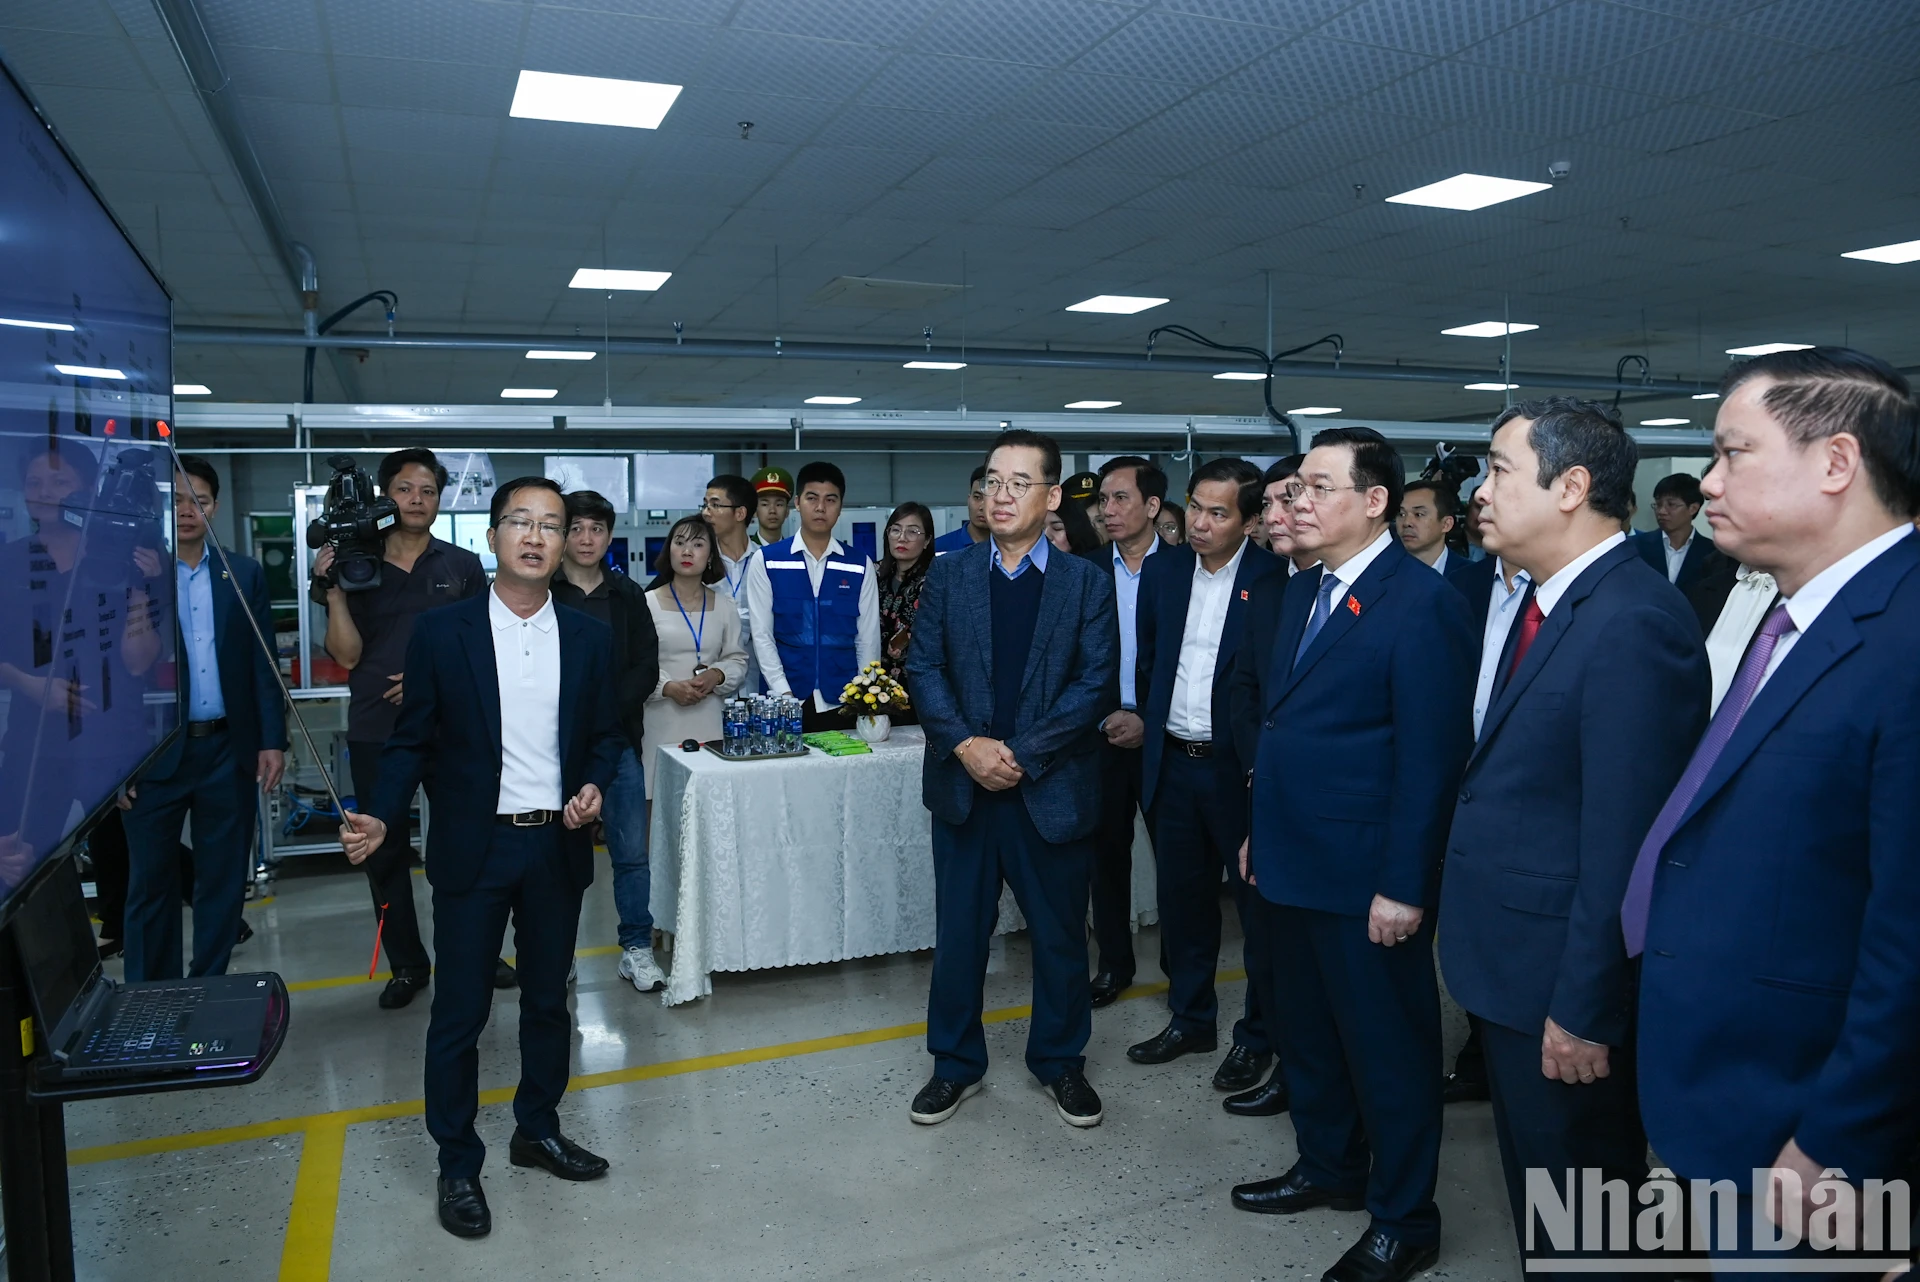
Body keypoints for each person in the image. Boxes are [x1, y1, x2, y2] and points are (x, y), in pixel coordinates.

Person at [1628, 348, 1920, 1263]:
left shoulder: (1904, 639)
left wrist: (1842, 1137)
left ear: (1836, 463)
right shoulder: (1797, 608)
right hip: (1735, 1084)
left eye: (1732, 454)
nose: (1706, 483)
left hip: (1812, 1121)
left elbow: (1909, 938)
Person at [1439, 399, 1709, 1266]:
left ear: (1573, 486)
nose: (1480, 492)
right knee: (1543, 1206)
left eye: (1500, 470)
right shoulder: (1556, 605)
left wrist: (1587, 1010)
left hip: (1563, 987)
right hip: (1516, 969)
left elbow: (1627, 842)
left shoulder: (1631, 621)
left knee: (1585, 1224)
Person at [339, 476, 625, 1241]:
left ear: (567, 543)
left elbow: (605, 734)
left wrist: (594, 785)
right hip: (474, 845)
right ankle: (457, 1161)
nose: (536, 537)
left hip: (555, 845)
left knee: (544, 1003)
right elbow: (412, 743)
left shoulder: (589, 637)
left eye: (552, 525)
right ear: (494, 536)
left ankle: (536, 1129)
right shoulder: (445, 631)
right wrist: (380, 817)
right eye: (521, 523)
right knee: (459, 1014)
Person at [1226, 426, 1476, 1282]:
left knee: (1390, 1052)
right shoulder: (1302, 590)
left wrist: (1406, 885)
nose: (1296, 502)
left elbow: (1431, 757)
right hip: (1290, 859)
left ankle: (1405, 1218)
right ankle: (1328, 1165)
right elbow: (1284, 724)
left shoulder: (1423, 602)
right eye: (1295, 488)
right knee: (1307, 1034)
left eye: (1317, 487)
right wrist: (1261, 830)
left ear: (1374, 501)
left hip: (1370, 877)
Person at [905, 428, 1118, 1129]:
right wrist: (967, 745)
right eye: (993, 481)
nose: (1000, 495)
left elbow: (1093, 686)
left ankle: (1059, 1063)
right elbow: (923, 667)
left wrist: (1019, 754)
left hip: (1048, 787)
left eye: (1018, 482)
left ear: (1052, 495)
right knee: (960, 935)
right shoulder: (950, 572)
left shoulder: (1087, 582)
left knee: (1059, 935)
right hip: (966, 788)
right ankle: (955, 1066)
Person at [311, 446, 496, 1009]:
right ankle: (408, 965)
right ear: (383, 497)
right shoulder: (352, 562)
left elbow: (484, 648)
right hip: (376, 728)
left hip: (453, 728)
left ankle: (478, 953)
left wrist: (425, 681)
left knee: (465, 846)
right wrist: (334, 590)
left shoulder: (460, 566)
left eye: (428, 491)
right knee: (383, 851)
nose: (417, 500)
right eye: (405, 490)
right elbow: (345, 656)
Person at [1130, 457, 1285, 1097]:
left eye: (1218, 513)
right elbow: (1148, 664)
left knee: (1259, 915)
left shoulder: (1275, 581)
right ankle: (1190, 1019)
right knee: (1183, 907)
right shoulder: (1163, 571)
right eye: (1195, 506)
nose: (1198, 522)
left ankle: (1257, 1037)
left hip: (1238, 773)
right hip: (1172, 764)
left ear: (1250, 522)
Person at [121, 457, 287, 982]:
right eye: (174, 499)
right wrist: (113, 766)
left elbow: (263, 663)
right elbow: (118, 675)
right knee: (151, 882)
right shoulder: (129, 572)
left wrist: (272, 740)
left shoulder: (241, 573)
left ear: (216, 507)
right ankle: (150, 996)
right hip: (152, 753)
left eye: (200, 500)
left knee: (222, 876)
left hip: (227, 749)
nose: (187, 510)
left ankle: (208, 985)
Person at [550, 489, 665, 994]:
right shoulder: (545, 592)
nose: (586, 538)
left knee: (630, 853)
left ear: (609, 536)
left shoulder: (627, 595)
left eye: (596, 529)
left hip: (617, 740)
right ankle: (559, 952)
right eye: (575, 527)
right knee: (557, 854)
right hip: (553, 747)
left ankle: (636, 949)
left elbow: (646, 666)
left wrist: (606, 715)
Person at [1087, 455, 1165, 1008]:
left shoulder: (1186, 569)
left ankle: (1183, 973)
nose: (1107, 510)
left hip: (1165, 736)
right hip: (1100, 735)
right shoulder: (1085, 571)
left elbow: (1196, 660)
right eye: (1103, 501)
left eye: (1120, 499)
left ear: (1152, 506)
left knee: (1180, 863)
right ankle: (1115, 965)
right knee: (1105, 859)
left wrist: (1150, 719)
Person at [742, 461, 880, 732]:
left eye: (831, 500)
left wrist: (865, 697)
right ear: (797, 503)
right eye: (812, 498)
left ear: (841, 506)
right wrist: (783, 694)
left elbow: (867, 639)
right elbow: (762, 635)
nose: (820, 508)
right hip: (785, 700)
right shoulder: (768, 560)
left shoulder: (858, 564)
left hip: (844, 700)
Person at [643, 515, 748, 790]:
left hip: (710, 721)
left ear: (711, 555)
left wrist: (717, 675)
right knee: (660, 809)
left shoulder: (725, 606)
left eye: (698, 544)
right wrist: (667, 687)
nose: (687, 551)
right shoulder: (646, 604)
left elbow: (737, 659)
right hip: (659, 719)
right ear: (669, 552)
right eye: (679, 543)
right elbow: (632, 665)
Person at [698, 474, 762, 692]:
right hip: (708, 675)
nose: (706, 512)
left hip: (758, 677)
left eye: (715, 505)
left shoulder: (765, 561)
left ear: (740, 513)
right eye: (705, 505)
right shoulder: (698, 561)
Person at [877, 501, 934, 714]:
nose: (902, 538)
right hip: (875, 687)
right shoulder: (874, 577)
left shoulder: (935, 581)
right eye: (896, 530)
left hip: (920, 687)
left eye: (913, 531)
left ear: (927, 540)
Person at [1631, 471, 1715, 592]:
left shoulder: (1711, 553)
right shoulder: (1635, 546)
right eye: (1658, 504)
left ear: (1693, 508)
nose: (1661, 511)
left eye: (1671, 504)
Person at [932, 466, 988, 555]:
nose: (982, 507)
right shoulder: (939, 548)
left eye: (989, 500)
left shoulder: (1009, 549)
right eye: (977, 497)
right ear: (969, 500)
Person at [748, 466, 793, 547]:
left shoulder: (793, 553)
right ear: (755, 511)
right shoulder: (746, 553)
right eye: (765, 504)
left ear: (787, 511)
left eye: (779, 504)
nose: (772, 510)